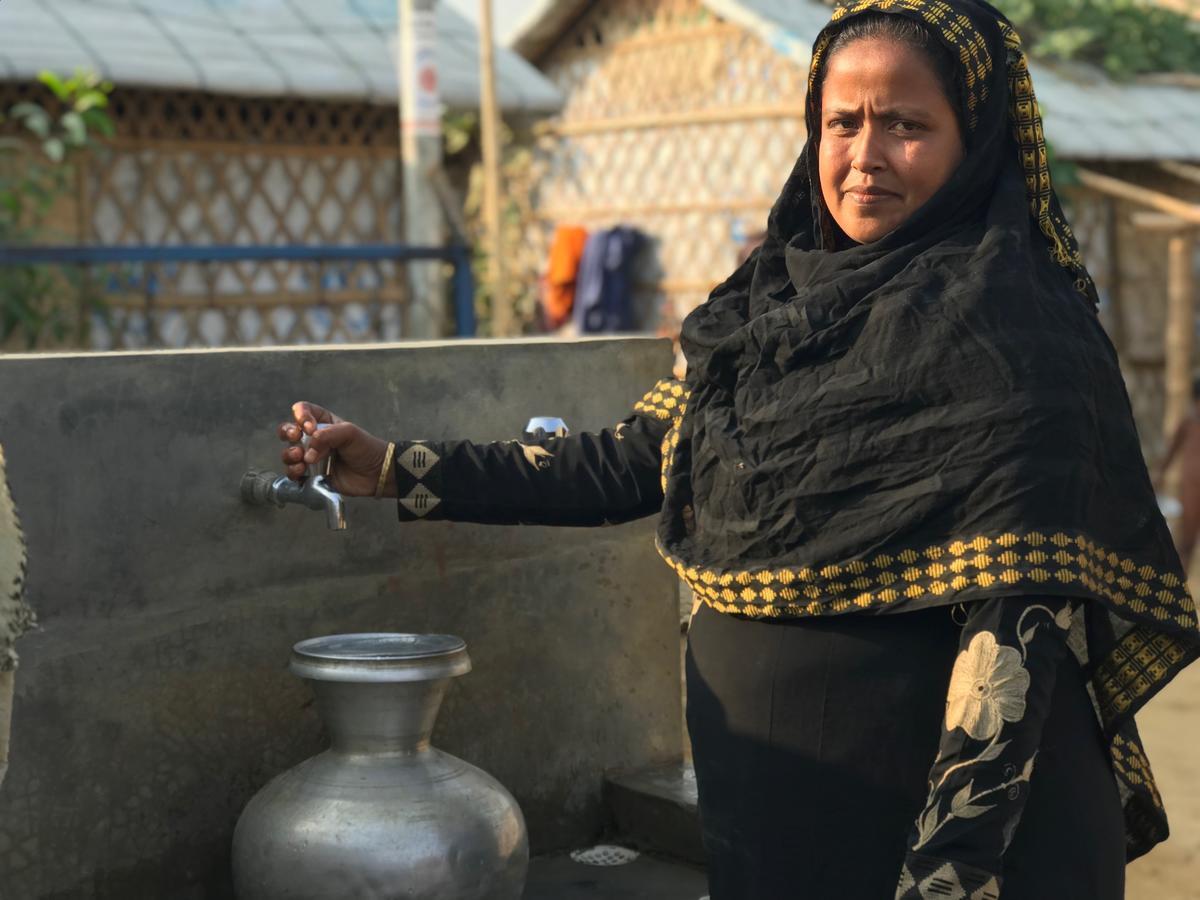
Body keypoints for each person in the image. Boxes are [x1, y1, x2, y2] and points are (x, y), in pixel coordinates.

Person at [277, 2, 1200, 897]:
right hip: (777, 809)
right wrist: (396, 467)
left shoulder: (1019, 337)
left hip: (943, 832)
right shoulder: (769, 311)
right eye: (842, 122)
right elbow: (629, 458)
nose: (865, 157)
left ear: (979, 141)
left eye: (908, 125)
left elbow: (1015, 643)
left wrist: (950, 871)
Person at [1156, 377, 1200, 571]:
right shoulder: (1189, 423)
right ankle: (1183, 586)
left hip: (1191, 486)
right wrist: (1159, 475)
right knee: (1186, 542)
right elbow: (1171, 452)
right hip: (1191, 489)